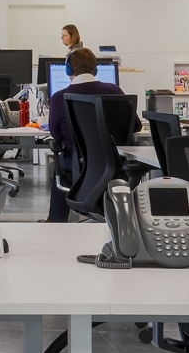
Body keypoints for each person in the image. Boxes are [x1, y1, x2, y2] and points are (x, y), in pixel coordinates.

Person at [46, 46, 133, 222]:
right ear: (95, 69)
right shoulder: (115, 91)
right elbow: (134, 125)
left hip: (80, 164)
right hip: (117, 163)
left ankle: (56, 221)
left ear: (68, 70)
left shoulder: (59, 97)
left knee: (61, 159)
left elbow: (56, 135)